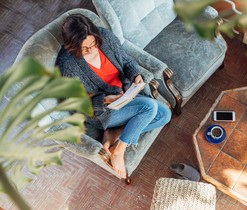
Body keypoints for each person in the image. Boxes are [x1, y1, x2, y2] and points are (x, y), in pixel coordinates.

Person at [56, 14, 171, 179]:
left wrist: (135, 75)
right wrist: (104, 100)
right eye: (85, 48)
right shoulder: (67, 65)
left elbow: (126, 61)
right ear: (72, 46)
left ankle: (115, 134)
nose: (91, 50)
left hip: (124, 96)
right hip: (102, 112)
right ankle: (119, 150)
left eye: (93, 44)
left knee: (165, 115)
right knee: (149, 107)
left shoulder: (105, 37)